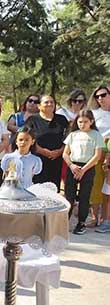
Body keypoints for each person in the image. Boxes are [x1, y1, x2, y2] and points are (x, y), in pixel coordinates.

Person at [62, 110, 105, 235]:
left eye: (85, 122)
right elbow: (65, 153)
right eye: (80, 122)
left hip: (88, 167)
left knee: (84, 197)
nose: (82, 124)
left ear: (91, 122)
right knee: (69, 196)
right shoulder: (73, 135)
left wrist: (84, 169)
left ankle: (81, 223)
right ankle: (65, 221)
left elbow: (97, 156)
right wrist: (72, 166)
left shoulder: (96, 135)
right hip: (73, 167)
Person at [24, 95, 68, 190]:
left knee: (53, 189)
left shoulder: (62, 119)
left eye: (52, 102)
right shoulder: (32, 120)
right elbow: (26, 137)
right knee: (37, 189)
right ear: (39, 106)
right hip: (37, 159)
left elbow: (68, 138)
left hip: (56, 160)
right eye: (46, 102)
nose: (50, 104)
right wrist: (44, 151)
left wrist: (59, 151)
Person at [89, 86, 110, 230]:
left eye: (103, 95)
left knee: (108, 187)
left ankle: (106, 219)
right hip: (96, 149)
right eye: (97, 96)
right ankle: (94, 217)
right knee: (95, 185)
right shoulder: (93, 113)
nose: (100, 98)